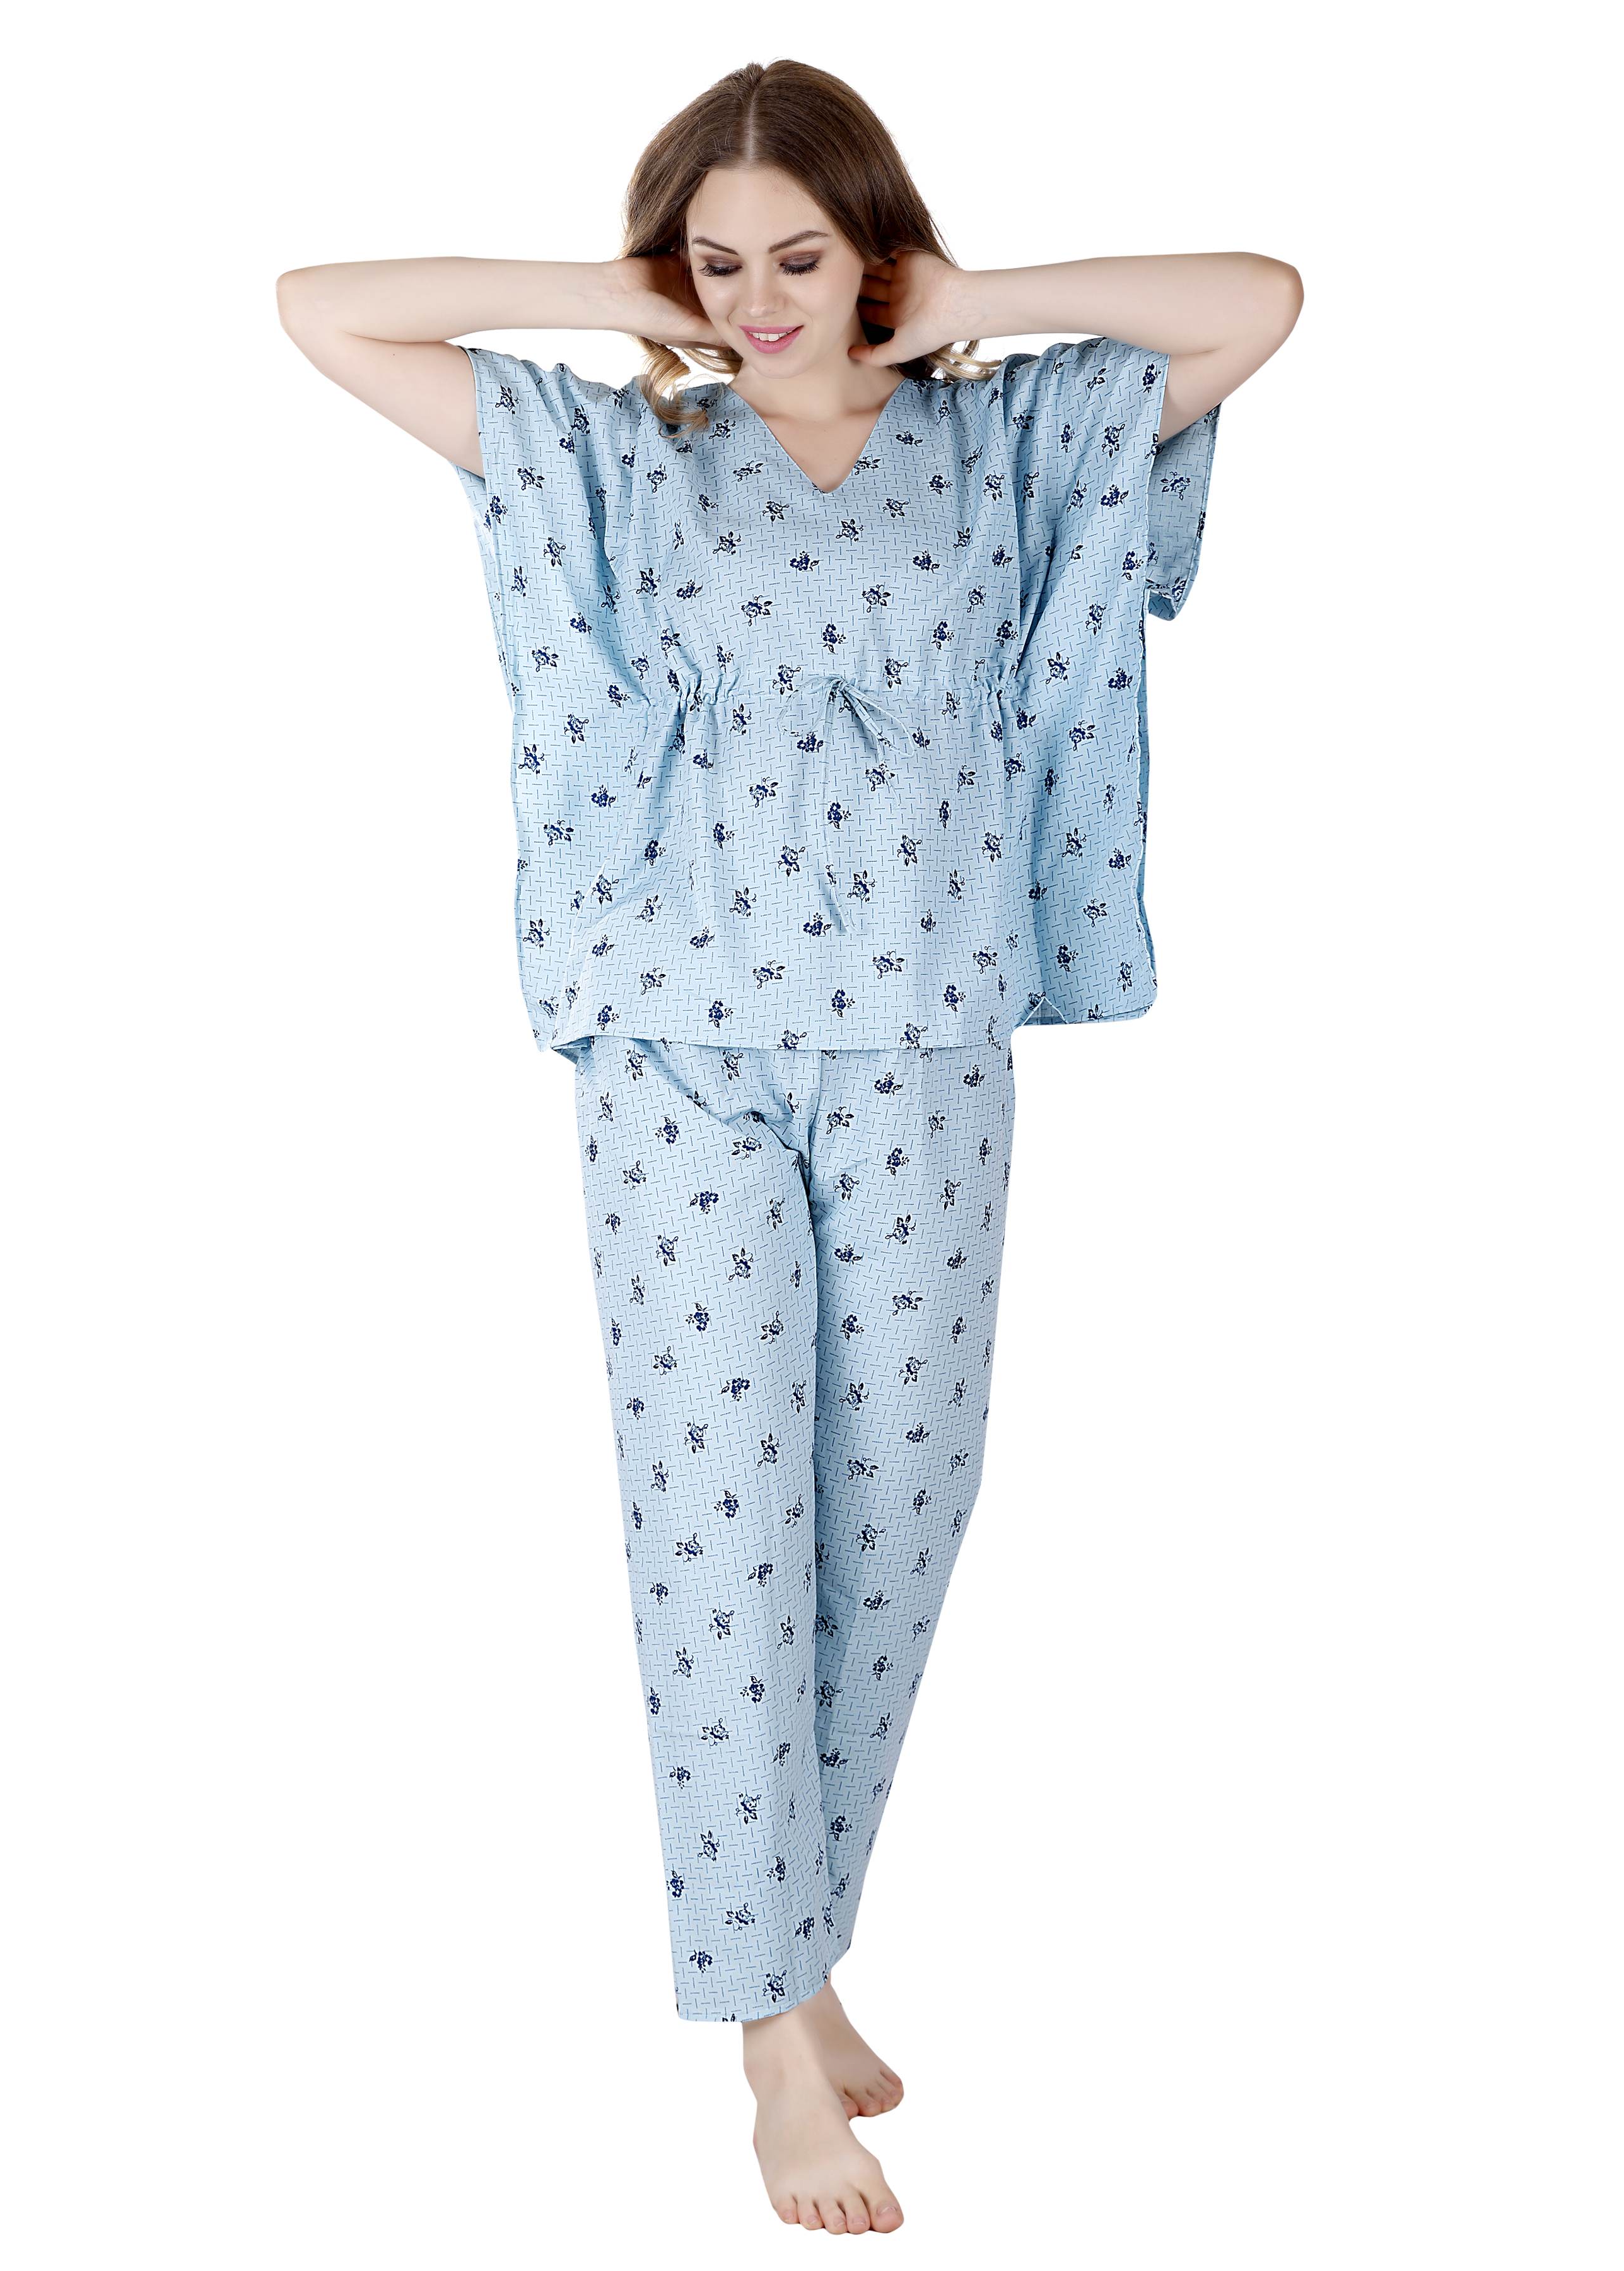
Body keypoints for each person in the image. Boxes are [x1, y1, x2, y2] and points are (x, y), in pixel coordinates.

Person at [276, 55, 1300, 2238]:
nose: (754, 299)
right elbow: (319, 308)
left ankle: (799, 1940)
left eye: (795, 256)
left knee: (897, 1498)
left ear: (872, 247)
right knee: (723, 1512)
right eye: (717, 260)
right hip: (678, 1045)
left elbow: (1259, 302)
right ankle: (766, 2031)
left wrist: (965, 303)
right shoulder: (609, 452)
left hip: (925, 1033)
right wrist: (617, 293)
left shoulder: (1011, 439)